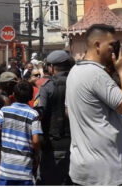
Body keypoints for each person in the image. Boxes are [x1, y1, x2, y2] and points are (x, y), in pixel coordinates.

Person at [65, 24, 122, 186]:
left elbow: (70, 111)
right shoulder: (96, 74)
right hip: (107, 172)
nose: (114, 49)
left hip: (83, 168)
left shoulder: (74, 71)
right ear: (97, 45)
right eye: (111, 44)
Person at [0, 81, 43, 185]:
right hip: (24, 171)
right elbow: (36, 141)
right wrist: (36, 155)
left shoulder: (4, 111)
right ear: (31, 96)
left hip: (5, 170)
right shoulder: (33, 114)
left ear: (13, 95)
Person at [34, 50, 73, 185]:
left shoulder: (47, 87)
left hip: (52, 147)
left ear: (51, 67)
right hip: (76, 146)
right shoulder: (77, 84)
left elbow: (37, 114)